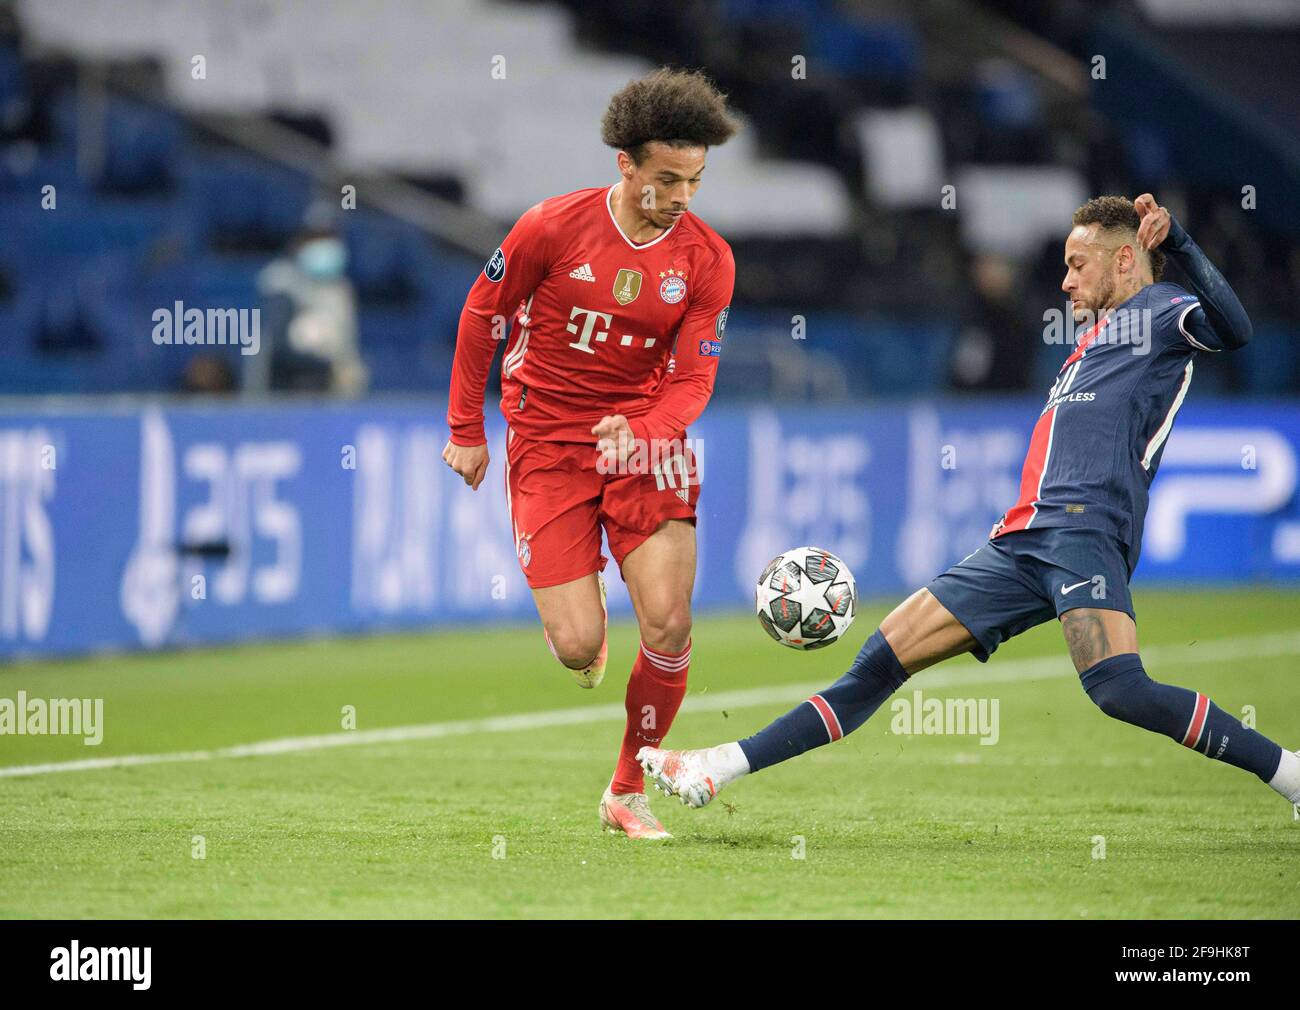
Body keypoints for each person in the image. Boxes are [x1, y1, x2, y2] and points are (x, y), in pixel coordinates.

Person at [639, 194, 1300, 814]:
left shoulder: (1160, 314)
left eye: (1077, 265)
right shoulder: (1089, 345)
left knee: (1121, 689)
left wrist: (1179, 241)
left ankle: (1290, 774)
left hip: (1083, 532)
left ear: (1125, 257)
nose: (1065, 282)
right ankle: (717, 766)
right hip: (1019, 541)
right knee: (879, 660)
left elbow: (1234, 328)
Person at [442, 69, 739, 839]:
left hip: (649, 440)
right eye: (666, 180)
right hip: (547, 438)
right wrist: (466, 429)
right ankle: (580, 631)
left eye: (696, 181)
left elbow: (695, 375)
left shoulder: (708, 260)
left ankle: (626, 789)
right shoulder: (551, 226)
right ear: (626, 165)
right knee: (578, 646)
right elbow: (483, 316)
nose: (681, 197)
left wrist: (648, 431)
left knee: (669, 623)